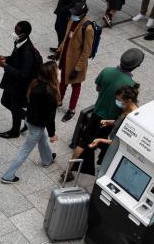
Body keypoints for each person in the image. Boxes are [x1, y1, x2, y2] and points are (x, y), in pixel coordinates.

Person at [61, 48, 144, 181]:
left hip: (97, 113)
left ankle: (68, 170)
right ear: (136, 66)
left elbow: (98, 88)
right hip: (110, 121)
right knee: (105, 146)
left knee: (83, 142)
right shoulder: (131, 85)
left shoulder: (106, 71)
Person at [1, 62, 60, 184]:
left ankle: (47, 159)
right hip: (37, 124)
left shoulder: (34, 84)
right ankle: (8, 176)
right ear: (52, 74)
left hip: (30, 119)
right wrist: (52, 134)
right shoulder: (51, 93)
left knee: (42, 139)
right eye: (57, 70)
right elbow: (50, 117)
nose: (58, 71)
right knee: (25, 150)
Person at [0, 21, 41, 139]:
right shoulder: (19, 42)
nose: (14, 32)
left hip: (20, 87)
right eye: (15, 29)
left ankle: (15, 132)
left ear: (24, 34)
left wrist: (5, 66)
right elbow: (15, 59)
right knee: (5, 101)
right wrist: (5, 58)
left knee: (15, 108)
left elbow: (23, 75)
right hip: (12, 82)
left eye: (17, 31)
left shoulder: (27, 52)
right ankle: (27, 118)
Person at [51, 2, 94, 122]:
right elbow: (65, 39)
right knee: (62, 82)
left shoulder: (88, 28)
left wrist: (78, 68)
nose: (73, 15)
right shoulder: (72, 20)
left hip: (76, 63)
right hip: (66, 58)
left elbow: (86, 51)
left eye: (76, 13)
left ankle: (71, 109)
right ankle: (58, 101)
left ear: (83, 14)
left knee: (76, 86)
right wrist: (59, 51)